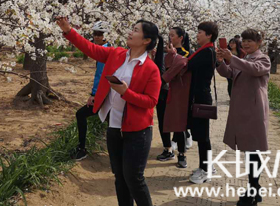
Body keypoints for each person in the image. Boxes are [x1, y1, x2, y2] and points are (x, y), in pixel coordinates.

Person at [56, 17, 163, 206]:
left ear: (147, 40)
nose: (130, 32)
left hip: (138, 131)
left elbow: (151, 101)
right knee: (120, 177)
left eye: (136, 30)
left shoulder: (151, 69)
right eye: (132, 28)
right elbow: (91, 49)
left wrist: (126, 93)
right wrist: (68, 31)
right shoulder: (117, 54)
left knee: (134, 179)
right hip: (114, 127)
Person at [216, 29, 270, 206]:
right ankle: (255, 188)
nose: (245, 44)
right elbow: (229, 73)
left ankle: (252, 191)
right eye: (244, 41)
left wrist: (232, 58)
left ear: (259, 42)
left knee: (253, 151)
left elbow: (254, 70)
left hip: (254, 111)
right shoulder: (244, 59)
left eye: (250, 41)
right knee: (250, 151)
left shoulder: (263, 59)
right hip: (242, 110)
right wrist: (220, 62)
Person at [167, 22, 218, 184]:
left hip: (201, 99)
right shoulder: (204, 51)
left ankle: (206, 169)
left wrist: (174, 55)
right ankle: (206, 165)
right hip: (197, 98)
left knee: (203, 137)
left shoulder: (207, 52)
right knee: (200, 135)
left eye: (200, 32)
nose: (197, 35)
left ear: (209, 35)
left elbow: (187, 64)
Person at [72, 21, 111, 161]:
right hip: (111, 94)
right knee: (111, 122)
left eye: (100, 34)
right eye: (94, 34)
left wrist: (94, 95)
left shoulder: (104, 51)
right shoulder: (108, 48)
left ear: (106, 35)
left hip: (105, 95)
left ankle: (82, 148)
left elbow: (100, 75)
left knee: (81, 114)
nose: (96, 36)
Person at [156, 26, 192, 168]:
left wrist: (173, 56)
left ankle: (182, 154)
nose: (170, 38)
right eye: (169, 35)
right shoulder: (165, 53)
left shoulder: (187, 53)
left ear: (181, 38)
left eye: (173, 35)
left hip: (177, 93)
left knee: (178, 123)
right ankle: (167, 149)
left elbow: (178, 68)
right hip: (163, 91)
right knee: (162, 120)